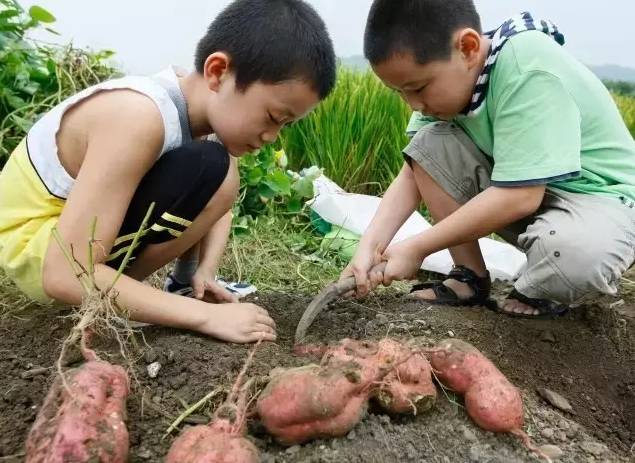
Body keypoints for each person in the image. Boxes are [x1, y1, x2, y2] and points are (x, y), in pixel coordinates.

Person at [0, 0, 336, 342]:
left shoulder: (197, 114)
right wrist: (203, 316)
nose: (271, 137)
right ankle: (104, 295)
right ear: (218, 72)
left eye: (285, 126)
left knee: (219, 170)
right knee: (213, 166)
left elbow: (221, 202)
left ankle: (173, 286)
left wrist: (200, 273)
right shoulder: (138, 117)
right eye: (273, 117)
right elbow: (63, 273)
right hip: (40, 256)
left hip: (62, 244)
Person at [342, 0, 635, 318]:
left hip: (603, 200)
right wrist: (370, 246)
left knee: (575, 256)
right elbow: (418, 167)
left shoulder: (525, 67)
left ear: (467, 48)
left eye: (419, 88)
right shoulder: (452, 91)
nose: (414, 104)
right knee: (429, 142)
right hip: (538, 200)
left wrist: (417, 247)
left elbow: (522, 196)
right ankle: (469, 276)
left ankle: (540, 288)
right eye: (400, 92)